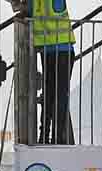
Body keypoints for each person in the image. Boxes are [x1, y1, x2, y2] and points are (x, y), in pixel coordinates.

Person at [28, 0, 75, 145]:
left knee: (49, 94)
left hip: (46, 50)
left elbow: (27, 11)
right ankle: (58, 136)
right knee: (61, 95)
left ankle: (44, 134)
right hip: (63, 49)